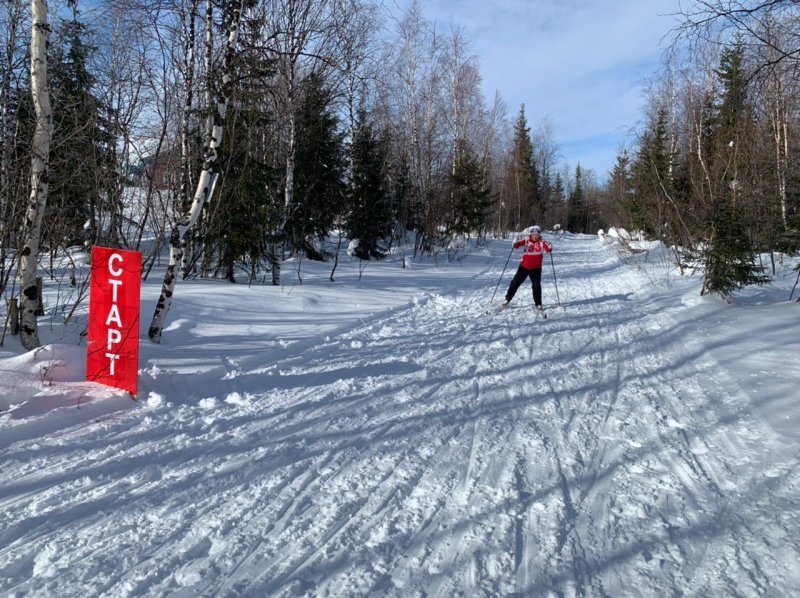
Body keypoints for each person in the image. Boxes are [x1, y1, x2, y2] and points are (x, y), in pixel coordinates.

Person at [503, 225, 552, 311]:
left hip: (536, 268)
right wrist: (514, 242)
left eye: (537, 234)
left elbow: (548, 250)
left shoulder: (542, 242)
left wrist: (550, 246)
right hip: (524, 267)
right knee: (515, 282)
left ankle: (538, 304)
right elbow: (515, 246)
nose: (535, 236)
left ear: (539, 235)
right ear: (531, 234)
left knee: (536, 285)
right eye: (533, 234)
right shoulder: (526, 240)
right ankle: (507, 298)